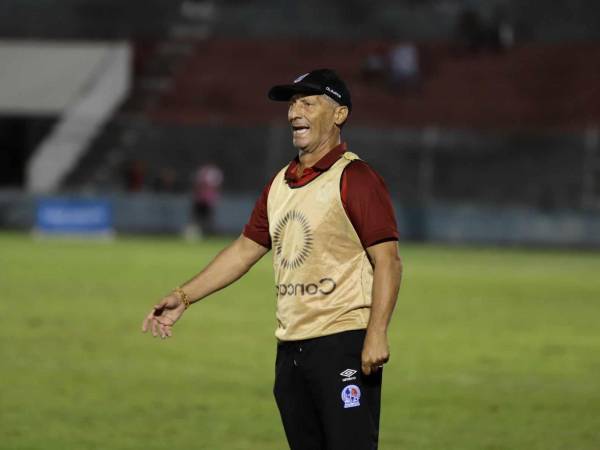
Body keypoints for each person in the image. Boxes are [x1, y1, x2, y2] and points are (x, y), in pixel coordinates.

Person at [142, 68, 403, 450]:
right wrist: (183, 296)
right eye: (292, 103)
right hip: (291, 351)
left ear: (339, 114)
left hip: (342, 345)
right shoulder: (280, 183)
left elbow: (389, 261)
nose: (294, 112)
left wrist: (377, 332)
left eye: (308, 103)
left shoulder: (356, 178)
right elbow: (245, 249)